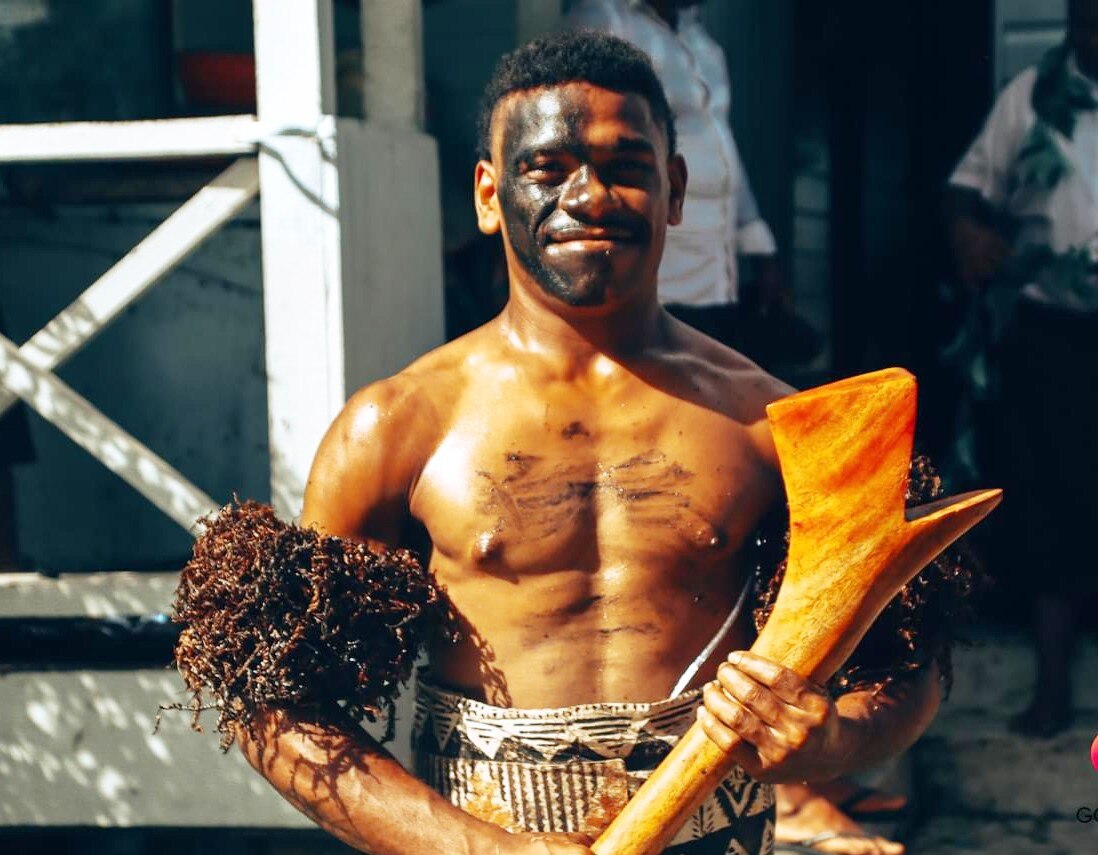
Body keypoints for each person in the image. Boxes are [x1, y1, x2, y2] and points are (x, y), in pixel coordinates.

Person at [235, 32, 941, 854]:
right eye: (547, 169)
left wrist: (834, 739)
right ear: (489, 195)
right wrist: (480, 847)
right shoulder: (398, 428)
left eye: (626, 167)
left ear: (674, 190)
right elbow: (276, 709)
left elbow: (908, 665)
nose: (591, 196)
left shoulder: (771, 423)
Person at [944, 0, 1098, 740]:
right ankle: (1053, 685)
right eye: (1091, 20)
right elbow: (965, 190)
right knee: (1051, 500)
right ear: (1072, 21)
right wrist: (971, 237)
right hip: (1052, 334)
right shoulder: (1031, 98)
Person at [563, 1, 819, 371]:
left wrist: (760, 246)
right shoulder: (606, 20)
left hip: (717, 261)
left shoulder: (702, 43)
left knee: (715, 379)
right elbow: (588, 133)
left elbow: (722, 144)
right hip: (664, 259)